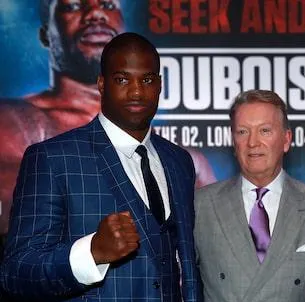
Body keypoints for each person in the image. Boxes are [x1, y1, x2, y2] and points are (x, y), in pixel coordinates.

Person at [0, 32, 209, 302]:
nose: (137, 91)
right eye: (123, 79)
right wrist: (92, 253)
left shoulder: (179, 161)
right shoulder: (52, 158)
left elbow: (185, 269)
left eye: (147, 80)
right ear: (101, 84)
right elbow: (17, 274)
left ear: (159, 86)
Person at [0, 0, 216, 235]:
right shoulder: (16, 121)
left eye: (107, 5)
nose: (95, 13)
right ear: (45, 34)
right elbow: (22, 227)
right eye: (72, 6)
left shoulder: (182, 160)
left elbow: (210, 248)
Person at [194, 89, 305, 302]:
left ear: (286, 140)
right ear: (234, 142)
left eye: (265, 130)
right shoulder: (200, 205)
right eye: (243, 132)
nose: (253, 142)